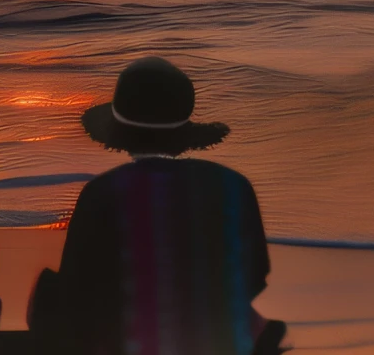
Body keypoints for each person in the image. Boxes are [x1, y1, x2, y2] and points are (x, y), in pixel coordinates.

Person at [28, 57, 287, 355]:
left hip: (127, 346)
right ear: (185, 131)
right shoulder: (233, 185)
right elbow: (255, 278)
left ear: (120, 133)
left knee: (50, 294)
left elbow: (79, 289)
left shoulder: (102, 193)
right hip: (225, 345)